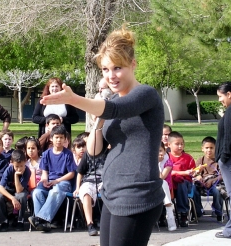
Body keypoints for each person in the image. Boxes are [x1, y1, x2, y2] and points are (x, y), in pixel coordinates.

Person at [40, 26, 165, 246]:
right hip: (111, 193)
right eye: (105, 70)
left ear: (133, 65)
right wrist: (98, 123)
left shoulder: (146, 94)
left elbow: (116, 110)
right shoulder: (113, 103)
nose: (110, 76)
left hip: (137, 193)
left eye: (117, 68)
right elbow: (94, 151)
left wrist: (73, 99)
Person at [28, 125, 76, 232]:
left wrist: (57, 181)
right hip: (49, 181)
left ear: (65, 139)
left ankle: (40, 219)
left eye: (61, 137)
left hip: (63, 182)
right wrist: (44, 180)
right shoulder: (46, 154)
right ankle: (43, 224)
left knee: (55, 191)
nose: (59, 140)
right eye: (56, 137)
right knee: (36, 192)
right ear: (51, 138)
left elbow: (72, 173)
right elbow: (45, 172)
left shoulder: (68, 154)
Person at [74, 125, 108, 236]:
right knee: (86, 193)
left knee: (109, 190)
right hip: (88, 181)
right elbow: (80, 173)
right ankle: (90, 224)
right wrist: (78, 188)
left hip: (104, 181)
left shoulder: (109, 153)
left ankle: (107, 223)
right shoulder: (87, 155)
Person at [215, 81, 231, 239]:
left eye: (221, 96)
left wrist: (223, 158)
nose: (219, 100)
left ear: (229, 94)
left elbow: (229, 137)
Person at [168, 131, 202, 227]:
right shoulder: (166, 157)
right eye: (177, 144)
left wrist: (195, 172)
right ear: (169, 144)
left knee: (181, 184)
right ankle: (161, 216)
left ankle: (183, 213)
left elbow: (193, 172)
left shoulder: (188, 158)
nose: (180, 146)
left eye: (182, 144)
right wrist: (183, 172)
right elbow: (168, 172)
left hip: (185, 184)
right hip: (170, 183)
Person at [0, 149, 31, 232]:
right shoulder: (8, 169)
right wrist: (12, 198)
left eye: (21, 166)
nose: (19, 169)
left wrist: (16, 175)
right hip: (9, 191)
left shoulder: (27, 171)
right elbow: (0, 188)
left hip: (20, 191)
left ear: (25, 161)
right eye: (16, 166)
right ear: (11, 162)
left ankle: (20, 220)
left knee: (22, 196)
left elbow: (19, 190)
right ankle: (4, 221)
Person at [194, 136, 223, 222]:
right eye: (206, 148)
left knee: (216, 191)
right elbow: (194, 173)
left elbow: (222, 175)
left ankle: (218, 211)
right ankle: (198, 211)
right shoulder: (200, 160)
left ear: (216, 148)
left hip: (215, 183)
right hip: (202, 184)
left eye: (211, 148)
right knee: (193, 189)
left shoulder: (219, 161)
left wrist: (212, 181)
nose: (209, 150)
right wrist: (197, 176)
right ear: (202, 149)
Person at [158, 142, 177, 231]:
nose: (159, 153)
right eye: (156, 151)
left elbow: (161, 177)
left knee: (162, 183)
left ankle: (169, 214)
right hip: (151, 187)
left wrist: (156, 163)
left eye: (160, 150)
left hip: (166, 188)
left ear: (165, 151)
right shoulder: (147, 160)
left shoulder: (168, 162)